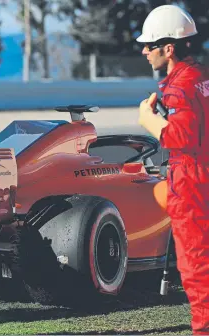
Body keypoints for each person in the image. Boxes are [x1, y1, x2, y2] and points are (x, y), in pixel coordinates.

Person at [136, 5, 209, 335]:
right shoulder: (202, 78)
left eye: (149, 45)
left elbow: (181, 137)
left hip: (192, 180)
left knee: (195, 265)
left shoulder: (177, 86)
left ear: (168, 48)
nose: (144, 51)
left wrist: (148, 119)